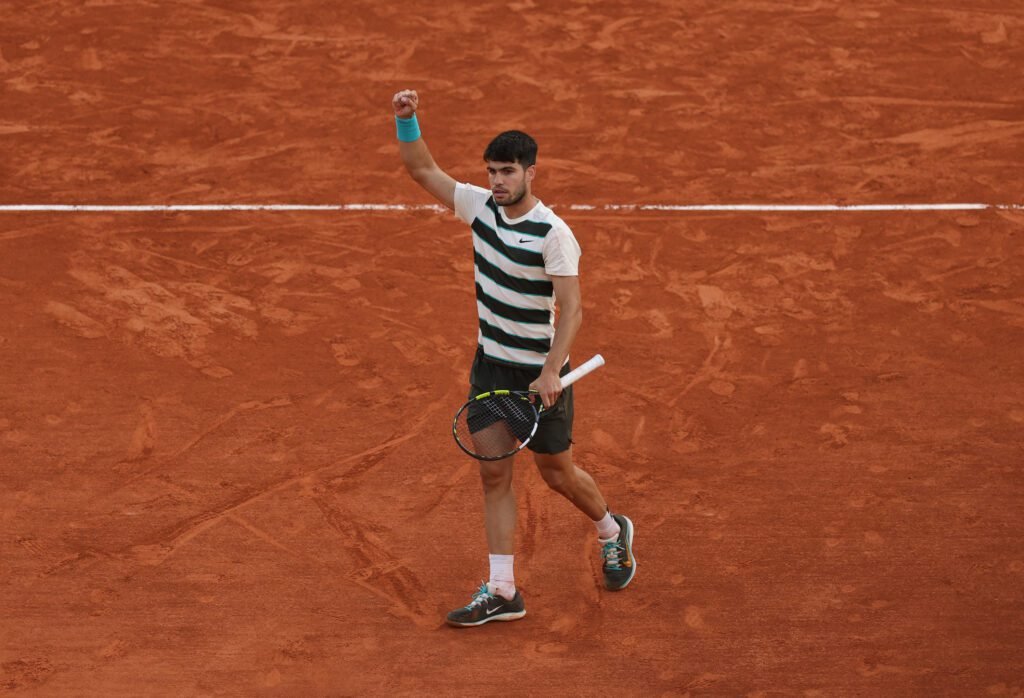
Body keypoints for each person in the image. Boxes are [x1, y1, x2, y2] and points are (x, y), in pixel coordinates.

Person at [391, 89, 636, 627]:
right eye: (492, 171)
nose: (497, 181)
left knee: (556, 473)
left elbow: (571, 311)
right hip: (492, 372)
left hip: (541, 374)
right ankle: (503, 590)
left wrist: (552, 370)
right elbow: (421, 170)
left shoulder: (554, 235)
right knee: (494, 476)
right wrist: (406, 120)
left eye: (507, 172)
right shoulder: (479, 207)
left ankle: (612, 530)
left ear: (531, 172)